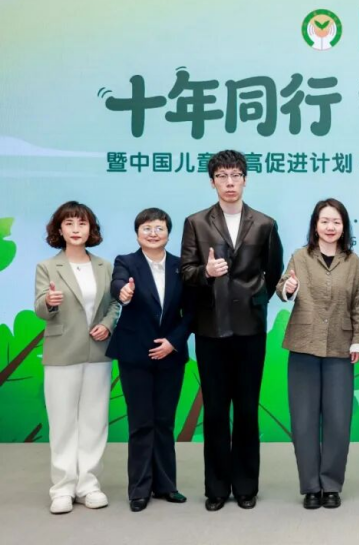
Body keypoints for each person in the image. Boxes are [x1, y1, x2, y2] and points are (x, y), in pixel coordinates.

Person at [180, 150, 283, 511]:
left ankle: (246, 486)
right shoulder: (196, 222)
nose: (229, 183)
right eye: (222, 176)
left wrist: (255, 299)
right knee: (215, 412)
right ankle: (216, 488)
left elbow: (273, 272)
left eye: (235, 175)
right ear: (212, 182)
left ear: (245, 179)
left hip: (250, 329)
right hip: (211, 329)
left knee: (247, 410)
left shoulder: (265, 223)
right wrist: (206, 273)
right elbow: (186, 273)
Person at [277, 198, 359, 510]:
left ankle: (331, 485)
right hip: (303, 346)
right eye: (325, 221)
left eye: (336, 222)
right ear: (315, 225)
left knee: (338, 421)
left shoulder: (353, 262)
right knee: (303, 421)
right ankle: (310, 487)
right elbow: (282, 288)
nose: (330, 227)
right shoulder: (300, 257)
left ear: (344, 227)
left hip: (341, 349)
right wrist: (288, 289)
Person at [34, 201, 120, 514]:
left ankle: (89, 485)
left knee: (94, 420)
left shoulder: (104, 266)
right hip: (62, 352)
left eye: (81, 223)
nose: (75, 229)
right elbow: (40, 308)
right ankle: (62, 488)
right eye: (68, 223)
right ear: (59, 229)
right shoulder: (47, 266)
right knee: (62, 422)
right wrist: (50, 300)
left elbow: (114, 304)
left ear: (90, 229)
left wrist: (107, 324)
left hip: (98, 352)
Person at [107, 208, 193, 512]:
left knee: (165, 422)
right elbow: (118, 284)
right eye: (146, 228)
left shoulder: (181, 266)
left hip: (171, 354)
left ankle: (166, 485)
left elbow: (192, 310)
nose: (153, 233)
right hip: (135, 354)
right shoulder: (126, 262)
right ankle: (139, 489)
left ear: (168, 233)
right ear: (137, 234)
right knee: (141, 423)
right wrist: (124, 292)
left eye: (159, 228)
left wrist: (173, 342)